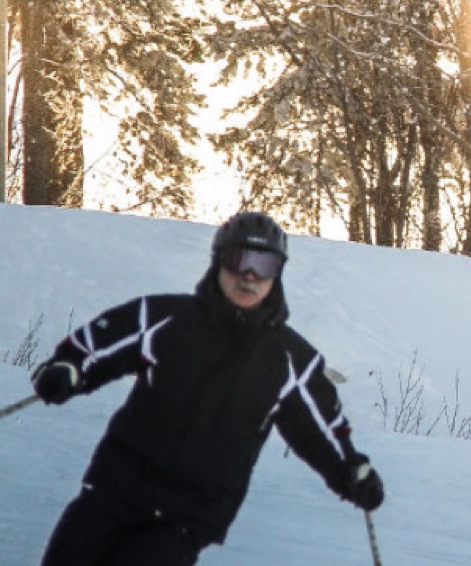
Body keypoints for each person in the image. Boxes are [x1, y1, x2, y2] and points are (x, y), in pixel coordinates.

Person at [29, 211, 385, 566]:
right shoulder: (165, 318)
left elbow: (320, 433)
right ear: (218, 261)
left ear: (277, 273)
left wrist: (350, 475)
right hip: (116, 490)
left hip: (188, 516)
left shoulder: (292, 360)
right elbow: (94, 348)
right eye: (238, 260)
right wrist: (66, 370)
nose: (249, 275)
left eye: (264, 265)